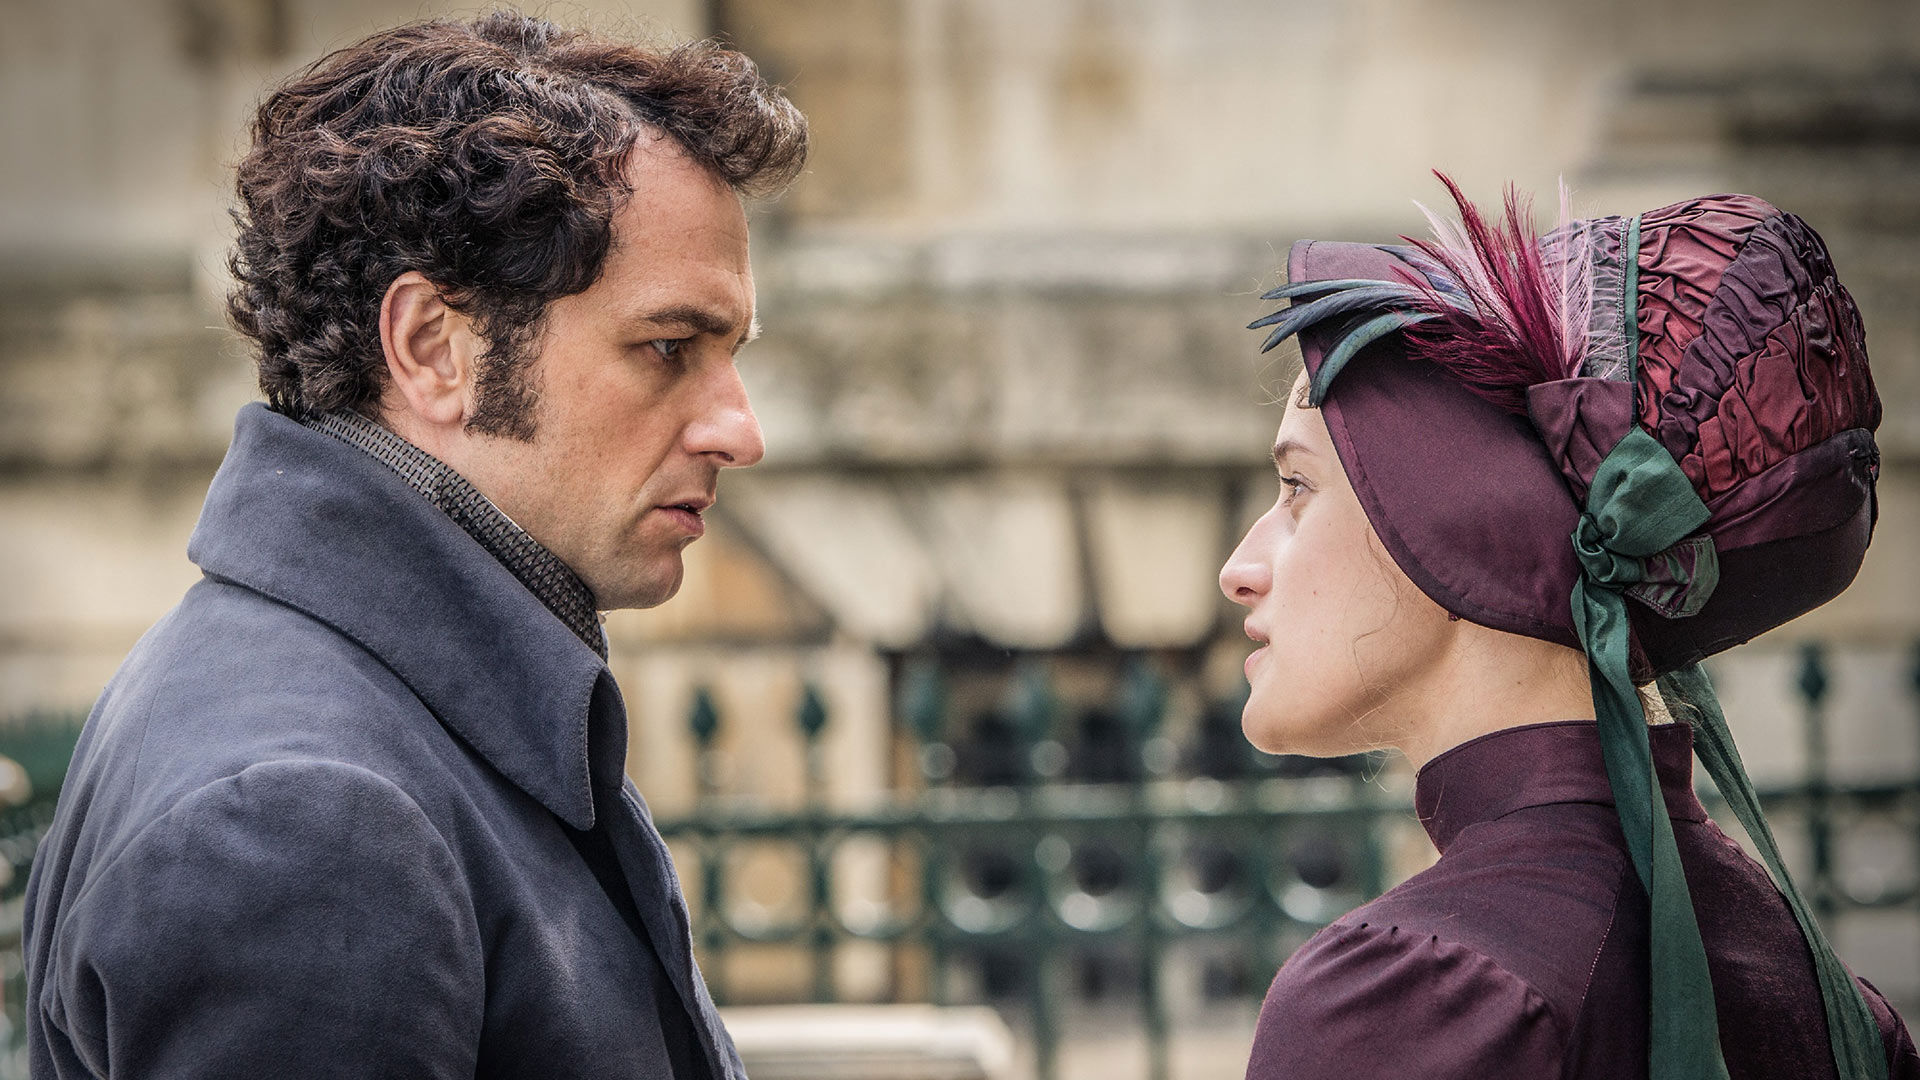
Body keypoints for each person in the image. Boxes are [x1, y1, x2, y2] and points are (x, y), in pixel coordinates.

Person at [23, 12, 805, 1078]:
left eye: (731, 353)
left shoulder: (369, 707)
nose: (740, 431)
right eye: (668, 348)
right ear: (433, 347)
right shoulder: (308, 821)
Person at [1221, 177, 1920, 1078]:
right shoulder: (1834, 1009)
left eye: (1297, 488)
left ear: (1449, 533)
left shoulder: (1412, 1000)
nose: (1239, 569)